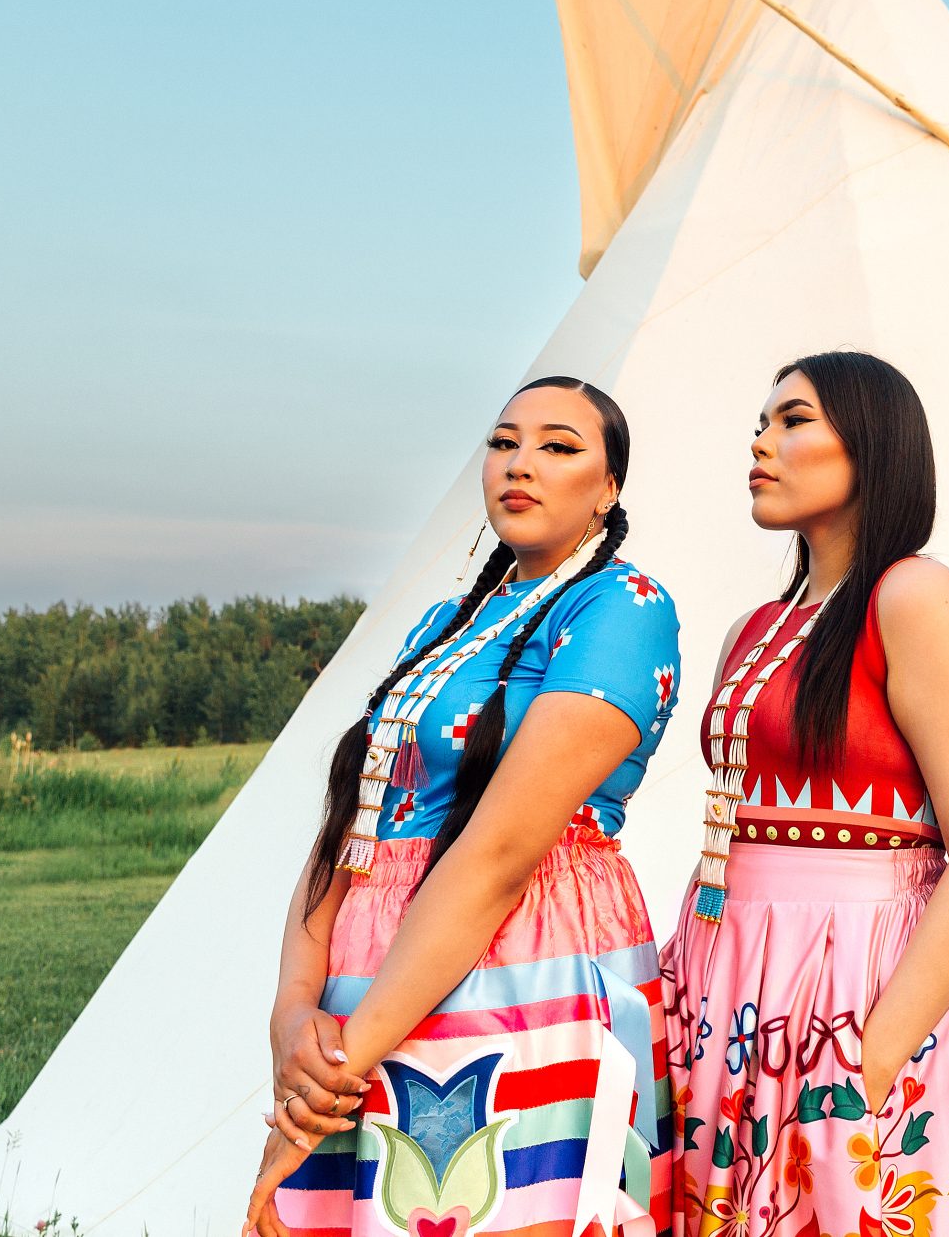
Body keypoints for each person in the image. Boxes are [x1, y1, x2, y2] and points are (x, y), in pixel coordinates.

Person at [245, 376, 683, 1237]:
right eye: (503, 441)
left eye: (559, 446)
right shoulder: (446, 621)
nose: (520, 463)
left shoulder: (623, 607)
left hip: (520, 965)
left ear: (609, 488)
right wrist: (294, 1007)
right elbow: (358, 814)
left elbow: (499, 853)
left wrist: (332, 1077)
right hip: (369, 983)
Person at [661, 351, 949, 1237]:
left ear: (870, 442)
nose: (761, 440)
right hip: (729, 978)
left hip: (860, 978)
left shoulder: (914, 594)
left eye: (793, 420)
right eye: (761, 421)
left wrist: (867, 1058)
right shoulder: (756, 626)